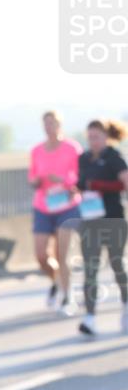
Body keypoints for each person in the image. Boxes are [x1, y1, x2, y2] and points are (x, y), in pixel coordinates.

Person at [75, 119, 128, 336]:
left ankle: (126, 305)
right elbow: (81, 182)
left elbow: (125, 183)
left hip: (113, 218)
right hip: (90, 220)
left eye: (96, 137)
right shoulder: (84, 159)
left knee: (117, 265)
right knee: (90, 269)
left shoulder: (114, 158)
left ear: (106, 137)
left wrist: (100, 187)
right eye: (89, 137)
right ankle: (90, 318)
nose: (93, 141)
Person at [28, 111, 82, 316]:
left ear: (60, 125)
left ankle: (68, 296)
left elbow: (80, 176)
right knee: (41, 255)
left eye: (52, 123)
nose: (49, 127)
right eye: (46, 124)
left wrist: (63, 182)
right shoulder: (36, 151)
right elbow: (32, 176)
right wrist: (36, 182)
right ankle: (56, 281)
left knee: (62, 252)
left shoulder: (72, 148)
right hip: (43, 205)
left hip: (66, 205)